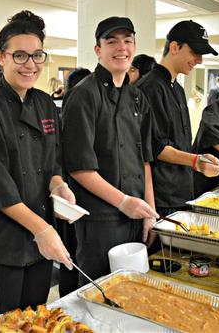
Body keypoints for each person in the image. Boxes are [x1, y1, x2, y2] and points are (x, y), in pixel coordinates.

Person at [0, 10, 73, 313]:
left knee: (35, 316)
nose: (31, 65)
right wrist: (42, 229)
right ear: (2, 58)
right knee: (3, 321)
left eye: (38, 56)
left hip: (40, 238)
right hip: (3, 242)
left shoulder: (45, 102)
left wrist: (58, 185)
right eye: (20, 56)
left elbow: (53, 160)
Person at [61, 16, 159, 283]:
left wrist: (149, 212)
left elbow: (145, 159)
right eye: (112, 41)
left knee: (131, 289)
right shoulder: (84, 95)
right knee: (98, 293)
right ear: (98, 50)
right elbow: (80, 168)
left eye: (127, 41)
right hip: (100, 219)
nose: (121, 47)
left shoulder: (137, 97)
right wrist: (122, 201)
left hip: (136, 213)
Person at [136, 20, 219, 221]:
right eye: (195, 53)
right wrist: (197, 161)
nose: (200, 60)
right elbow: (156, 148)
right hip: (162, 197)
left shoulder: (176, 87)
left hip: (182, 189)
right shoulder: (150, 88)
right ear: (175, 47)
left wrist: (199, 158)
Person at [56, 67, 91, 297]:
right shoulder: (70, 114)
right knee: (71, 257)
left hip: (68, 200)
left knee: (70, 257)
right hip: (69, 199)